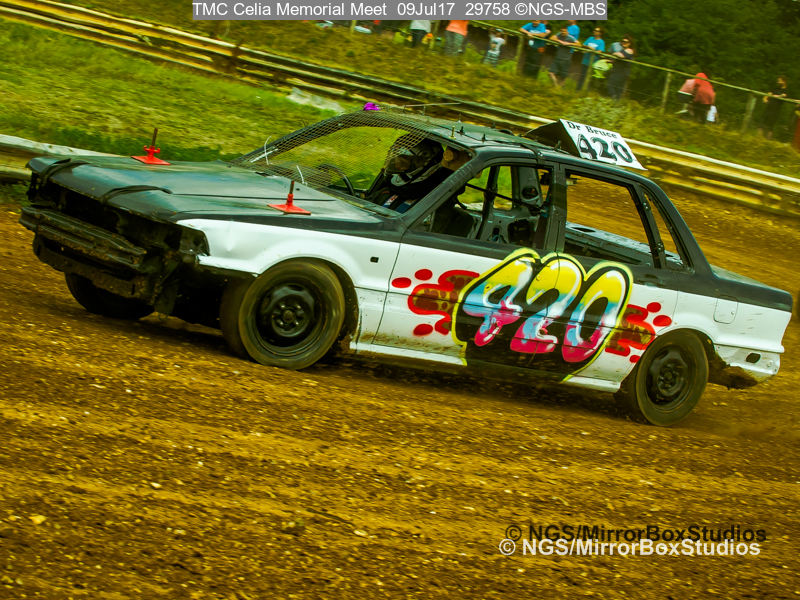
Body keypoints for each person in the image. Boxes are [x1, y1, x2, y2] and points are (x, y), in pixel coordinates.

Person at [367, 136, 447, 211]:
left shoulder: (430, 207)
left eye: (403, 163)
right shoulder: (384, 192)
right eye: (394, 159)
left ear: (427, 169)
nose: (396, 165)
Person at [606, 35, 635, 100]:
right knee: (616, 88)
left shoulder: (629, 50)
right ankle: (615, 101)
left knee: (611, 85)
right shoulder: (623, 50)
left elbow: (622, 56)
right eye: (623, 41)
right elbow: (618, 59)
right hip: (617, 70)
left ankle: (615, 99)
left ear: (629, 43)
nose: (624, 43)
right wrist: (611, 61)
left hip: (622, 72)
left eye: (626, 42)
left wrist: (614, 53)